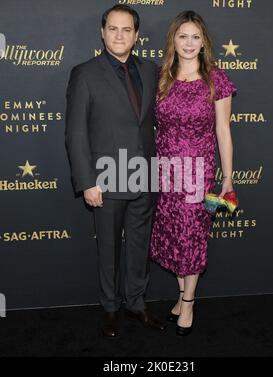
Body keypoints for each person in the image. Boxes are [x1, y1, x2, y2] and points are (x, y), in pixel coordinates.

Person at [65, 4, 166, 338]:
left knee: (139, 247)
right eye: (113, 28)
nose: (119, 35)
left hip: (145, 175)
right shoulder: (85, 73)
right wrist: (87, 182)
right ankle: (110, 309)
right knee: (108, 248)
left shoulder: (152, 70)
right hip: (106, 179)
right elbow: (76, 132)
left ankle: (136, 304)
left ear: (136, 35)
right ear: (102, 32)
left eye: (126, 29)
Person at [150, 10, 237, 336]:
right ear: (173, 39)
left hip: (198, 172)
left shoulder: (216, 79)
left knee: (192, 236)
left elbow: (223, 131)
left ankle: (188, 302)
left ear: (204, 42)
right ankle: (182, 295)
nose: (188, 43)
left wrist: (227, 178)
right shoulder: (162, 77)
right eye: (182, 36)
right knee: (175, 236)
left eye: (195, 37)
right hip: (167, 172)